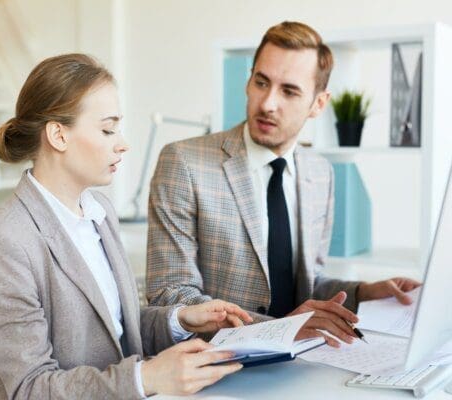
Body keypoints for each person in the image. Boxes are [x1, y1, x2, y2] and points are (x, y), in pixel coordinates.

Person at [0, 53, 254, 400]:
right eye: (107, 129)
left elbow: (116, 329)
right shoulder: (4, 242)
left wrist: (179, 321)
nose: (122, 143)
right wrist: (144, 378)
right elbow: (30, 389)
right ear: (58, 135)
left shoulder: (98, 211)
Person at [146, 21, 420, 347]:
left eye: (289, 91)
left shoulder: (320, 173)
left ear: (318, 104)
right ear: (249, 80)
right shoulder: (184, 162)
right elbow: (171, 295)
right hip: (216, 366)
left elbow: (305, 284)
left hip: (302, 358)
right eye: (261, 82)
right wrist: (278, 329)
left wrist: (364, 294)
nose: (267, 103)